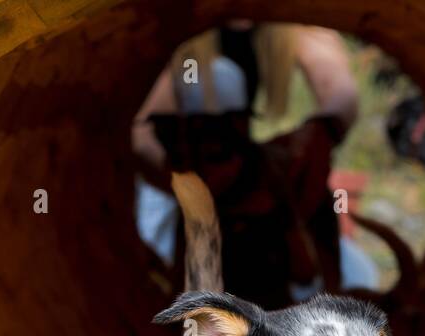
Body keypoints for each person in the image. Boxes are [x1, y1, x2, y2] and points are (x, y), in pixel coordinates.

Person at [132, 23, 380, 298]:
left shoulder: (289, 24)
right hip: (177, 195)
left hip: (241, 189)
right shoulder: (183, 39)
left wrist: (322, 130)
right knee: (221, 77)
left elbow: (340, 92)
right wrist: (181, 174)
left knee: (361, 276)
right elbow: (142, 131)